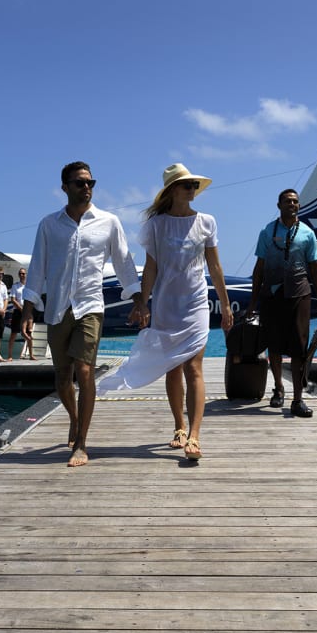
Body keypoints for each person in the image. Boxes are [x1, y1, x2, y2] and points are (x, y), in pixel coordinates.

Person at [99, 164, 233, 461]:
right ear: (172, 190)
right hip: (165, 303)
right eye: (187, 185)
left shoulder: (207, 221)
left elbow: (215, 267)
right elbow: (151, 267)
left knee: (194, 367)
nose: (192, 189)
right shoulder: (156, 225)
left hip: (196, 303)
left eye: (194, 185)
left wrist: (224, 304)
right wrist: (142, 302)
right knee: (173, 367)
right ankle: (179, 426)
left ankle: (195, 436)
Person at [22, 161, 142, 467]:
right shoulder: (49, 224)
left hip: (90, 306)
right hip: (57, 308)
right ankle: (74, 420)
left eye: (90, 182)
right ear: (65, 187)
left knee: (85, 371)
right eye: (79, 183)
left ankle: (81, 443)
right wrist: (27, 309)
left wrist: (138, 299)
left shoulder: (109, 222)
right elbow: (37, 267)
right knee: (63, 377)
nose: (86, 187)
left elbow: (124, 262)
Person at [246, 188, 317, 418]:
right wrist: (252, 303)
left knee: (299, 348)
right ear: (279, 205)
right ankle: (278, 388)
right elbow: (259, 268)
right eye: (287, 201)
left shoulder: (307, 233)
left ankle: (298, 399)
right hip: (272, 295)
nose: (292, 204)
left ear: (299, 206)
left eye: (295, 201)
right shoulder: (267, 232)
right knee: (273, 345)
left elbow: (315, 268)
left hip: (299, 295)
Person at [5, 267, 33, 360]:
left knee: (29, 333)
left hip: (27, 311)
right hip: (17, 311)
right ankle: (9, 355)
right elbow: (13, 299)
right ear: (18, 275)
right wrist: (21, 309)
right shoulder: (15, 286)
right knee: (13, 333)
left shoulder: (29, 286)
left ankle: (31, 355)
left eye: (23, 273)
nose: (22, 275)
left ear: (26, 275)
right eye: (20, 273)